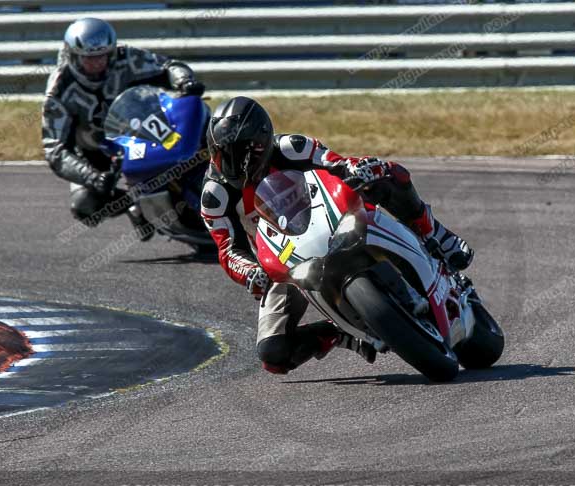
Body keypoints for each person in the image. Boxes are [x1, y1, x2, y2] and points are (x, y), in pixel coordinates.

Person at [200, 97, 473, 374]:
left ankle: (435, 234)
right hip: (284, 262)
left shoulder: (292, 147)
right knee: (274, 354)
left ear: (262, 141)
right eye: (221, 152)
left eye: (241, 153)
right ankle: (340, 333)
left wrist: (360, 168)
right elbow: (227, 250)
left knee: (388, 174)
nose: (232, 164)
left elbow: (338, 164)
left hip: (335, 220)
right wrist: (250, 272)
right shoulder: (215, 196)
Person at [41, 17, 205, 233]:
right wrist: (92, 177)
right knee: (84, 205)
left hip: (141, 124)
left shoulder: (126, 57)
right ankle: (134, 205)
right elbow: (54, 150)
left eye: (102, 56)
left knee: (191, 134)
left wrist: (184, 80)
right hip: (95, 150)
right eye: (88, 58)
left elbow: (168, 66)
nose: (97, 63)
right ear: (72, 55)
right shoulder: (58, 90)